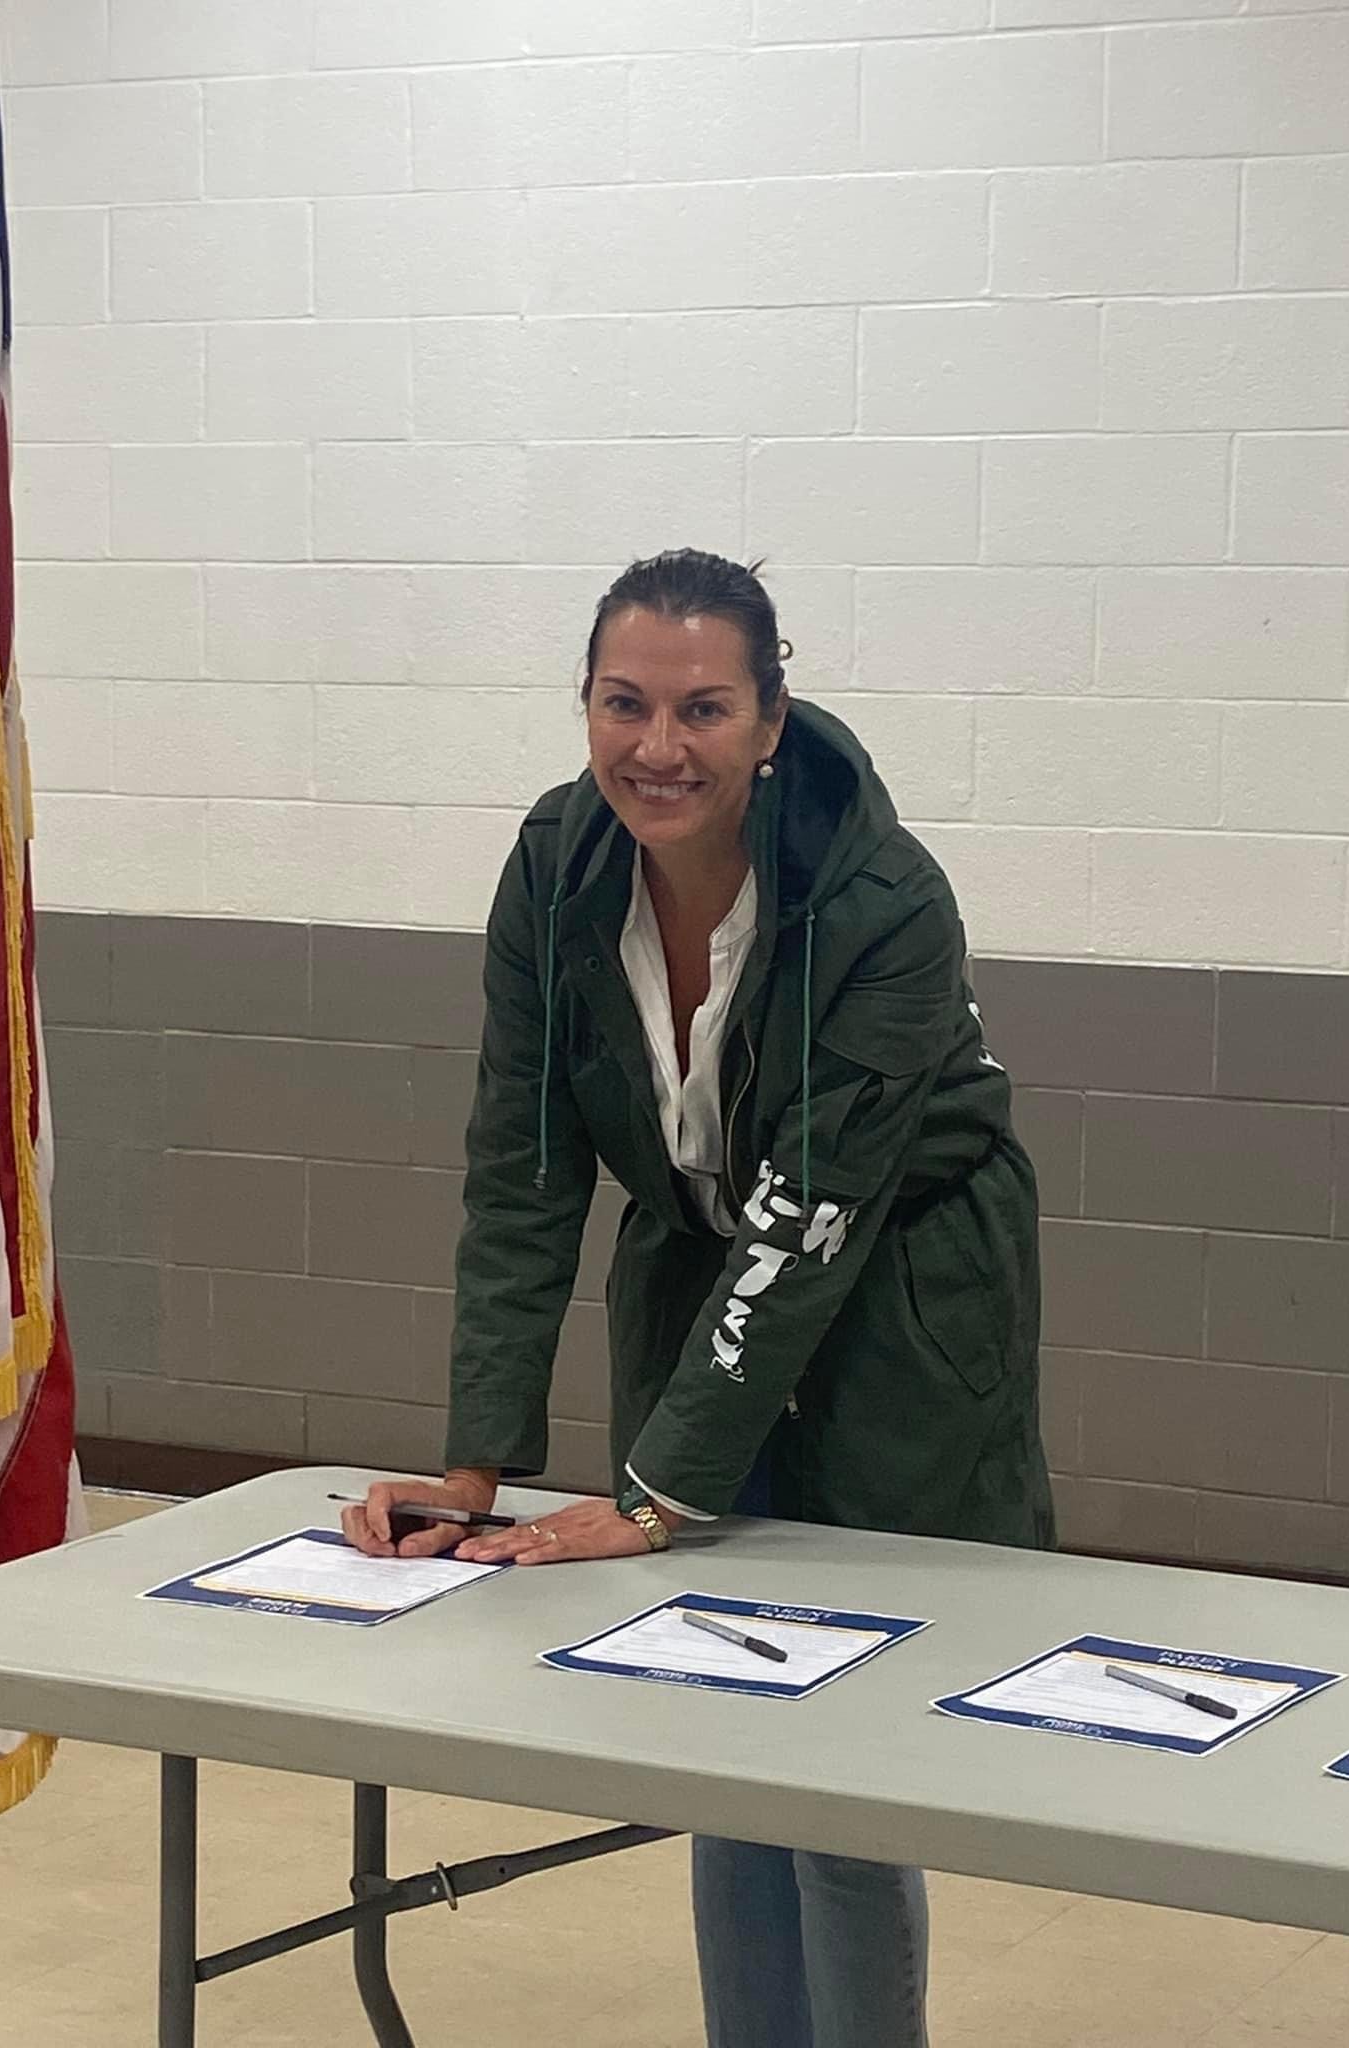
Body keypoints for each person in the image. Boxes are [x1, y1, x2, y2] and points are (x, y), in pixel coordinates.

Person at [343, 548, 1054, 2048]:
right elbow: (524, 1168)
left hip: (898, 1285)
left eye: (703, 708)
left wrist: (659, 1493)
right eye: (625, 703)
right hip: (694, 1260)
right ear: (585, 705)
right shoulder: (555, 867)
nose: (658, 747)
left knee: (843, 1754)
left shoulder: (884, 897)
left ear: (770, 720)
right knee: (718, 1724)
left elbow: (812, 1215)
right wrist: (476, 1462)